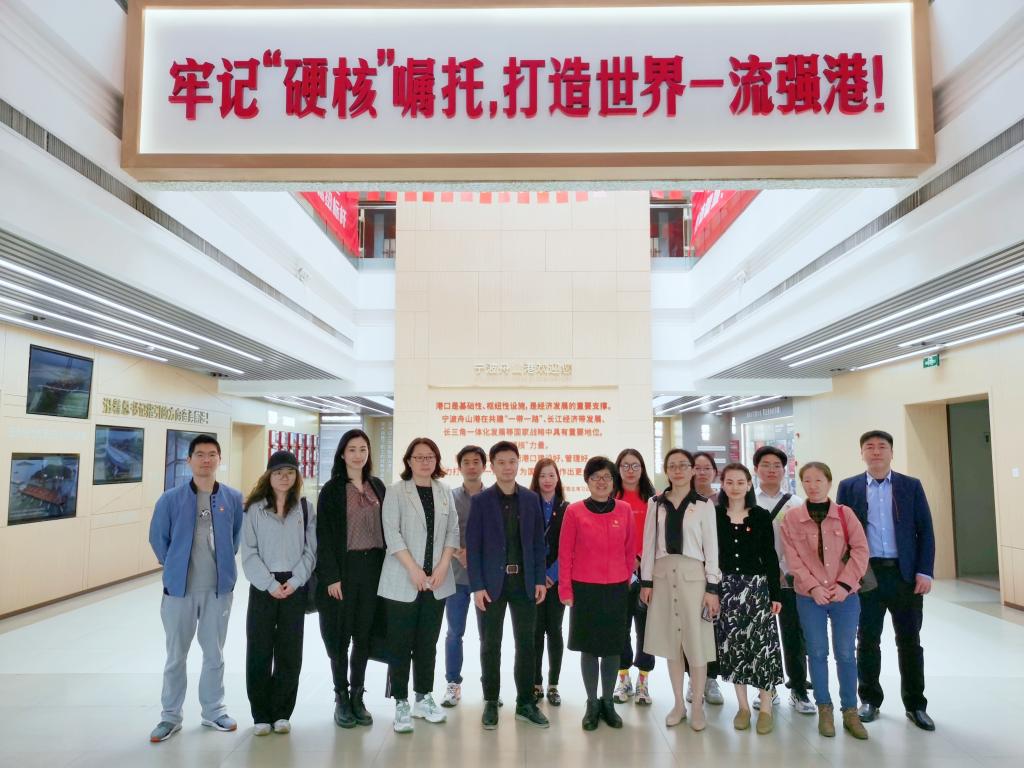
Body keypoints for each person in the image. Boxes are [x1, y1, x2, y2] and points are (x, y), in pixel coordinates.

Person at [837, 430, 937, 732]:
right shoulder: (849, 487)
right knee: (867, 640)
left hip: (904, 576)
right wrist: (848, 576)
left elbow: (925, 530)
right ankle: (869, 700)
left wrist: (925, 571)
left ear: (891, 452)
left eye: (882, 446)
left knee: (910, 641)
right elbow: (841, 535)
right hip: (866, 575)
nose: (876, 451)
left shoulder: (910, 485)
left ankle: (916, 705)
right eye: (869, 447)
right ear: (862, 453)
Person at [148, 434, 244, 743]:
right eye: (200, 454)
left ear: (219, 459)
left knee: (214, 653)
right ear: (189, 460)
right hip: (180, 591)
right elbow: (158, 539)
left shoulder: (232, 498)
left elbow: (235, 537)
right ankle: (170, 716)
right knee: (176, 655)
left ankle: (214, 711)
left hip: (218, 591)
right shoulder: (170, 500)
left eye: (212, 454)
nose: (206, 460)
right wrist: (175, 566)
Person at [781, 462, 870, 740]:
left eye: (818, 480)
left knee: (846, 654)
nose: (813, 485)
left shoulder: (845, 514)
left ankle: (850, 711)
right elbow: (792, 559)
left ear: (829, 483)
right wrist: (813, 587)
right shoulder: (792, 518)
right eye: (807, 480)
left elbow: (861, 551)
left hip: (846, 596)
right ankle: (824, 709)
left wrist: (844, 585)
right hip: (809, 597)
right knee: (817, 652)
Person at [377, 437, 460, 733]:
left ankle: (423, 698)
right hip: (403, 579)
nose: (425, 462)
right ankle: (401, 702)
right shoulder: (396, 491)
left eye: (430, 457)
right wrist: (413, 569)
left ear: (436, 460)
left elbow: (453, 532)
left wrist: (443, 566)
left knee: (428, 644)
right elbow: (392, 533)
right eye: (419, 457)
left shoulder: (444, 491)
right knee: (400, 644)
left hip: (437, 581)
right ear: (409, 461)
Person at [466, 440, 549, 730]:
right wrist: (477, 586)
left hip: (524, 583)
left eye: (512, 461)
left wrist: (539, 579)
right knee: (491, 644)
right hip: (491, 585)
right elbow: (473, 547)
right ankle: (491, 701)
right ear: (492, 466)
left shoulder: (530, 499)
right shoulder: (481, 501)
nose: (507, 467)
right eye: (501, 462)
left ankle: (525, 703)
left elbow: (538, 543)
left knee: (526, 644)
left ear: (518, 463)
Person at [639, 448, 720, 732]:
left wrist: (712, 587)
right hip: (662, 576)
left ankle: (697, 705)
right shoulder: (655, 503)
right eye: (672, 465)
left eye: (683, 465)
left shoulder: (704, 505)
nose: (678, 470)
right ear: (666, 470)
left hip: (694, 578)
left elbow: (711, 548)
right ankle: (678, 704)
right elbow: (648, 544)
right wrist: (646, 581)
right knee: (671, 644)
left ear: (692, 470)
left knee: (696, 644)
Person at [240, 450, 317, 735]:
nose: (285, 477)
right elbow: (248, 553)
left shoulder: (304, 508)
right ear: (269, 476)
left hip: (294, 585)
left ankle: (282, 711)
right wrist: (270, 584)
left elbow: (311, 549)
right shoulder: (254, 509)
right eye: (279, 473)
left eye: (290, 472)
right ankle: (261, 714)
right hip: (264, 585)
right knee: (259, 649)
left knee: (290, 650)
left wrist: (296, 580)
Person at [314, 429, 387, 728]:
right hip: (344, 571)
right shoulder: (332, 490)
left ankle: (358, 695)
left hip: (374, 570)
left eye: (363, 449)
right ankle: (341, 697)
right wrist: (331, 576)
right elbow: (324, 537)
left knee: (364, 635)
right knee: (340, 636)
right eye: (352, 449)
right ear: (342, 454)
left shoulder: (377, 486)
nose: (358, 455)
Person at [559, 456, 635, 730]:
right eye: (595, 477)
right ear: (587, 481)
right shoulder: (574, 511)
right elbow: (565, 553)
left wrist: (625, 578)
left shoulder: (624, 510)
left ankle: (608, 702)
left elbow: (630, 550)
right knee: (589, 647)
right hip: (585, 589)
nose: (601, 482)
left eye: (606, 477)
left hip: (616, 589)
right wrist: (565, 589)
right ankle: (592, 702)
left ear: (614, 481)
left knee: (613, 647)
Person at [713, 462, 784, 735]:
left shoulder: (760, 515)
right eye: (729, 482)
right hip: (727, 589)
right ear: (723, 485)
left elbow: (770, 556)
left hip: (757, 589)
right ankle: (742, 707)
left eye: (740, 482)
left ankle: (765, 707)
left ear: (749, 485)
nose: (735, 487)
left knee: (762, 647)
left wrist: (775, 593)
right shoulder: (714, 515)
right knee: (734, 647)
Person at [752, 445, 815, 715]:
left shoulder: (796, 503)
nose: (771, 470)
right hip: (758, 579)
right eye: (765, 465)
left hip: (790, 579)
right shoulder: (747, 501)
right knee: (761, 635)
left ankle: (799, 689)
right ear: (756, 469)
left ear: (784, 470)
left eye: (777, 465)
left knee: (793, 635)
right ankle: (767, 688)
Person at [442, 445, 488, 708]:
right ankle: (452, 684)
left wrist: (476, 555)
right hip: (456, 576)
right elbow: (444, 531)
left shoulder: (493, 497)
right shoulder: (449, 497)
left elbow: (497, 535)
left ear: (484, 466)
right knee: (454, 632)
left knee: (487, 636)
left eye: (476, 461)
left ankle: (489, 686)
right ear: (459, 467)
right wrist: (460, 553)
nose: (471, 466)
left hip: (485, 578)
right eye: (466, 462)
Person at [612, 448, 659, 707]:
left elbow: (659, 537)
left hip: (648, 574)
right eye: (625, 466)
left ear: (642, 469)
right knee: (620, 628)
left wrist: (640, 558)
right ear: (617, 469)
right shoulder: (611, 497)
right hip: (617, 574)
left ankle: (643, 682)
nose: (630, 471)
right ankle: (623, 679)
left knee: (646, 630)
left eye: (635, 466)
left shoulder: (654, 500)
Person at [687, 451, 726, 707]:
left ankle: (711, 679)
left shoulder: (723, 500)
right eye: (697, 468)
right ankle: (693, 681)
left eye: (706, 468)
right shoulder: (684, 499)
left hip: (718, 573)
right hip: (690, 573)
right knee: (691, 628)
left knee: (713, 628)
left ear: (715, 472)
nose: (701, 472)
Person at [530, 458, 568, 707]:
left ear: (557, 478)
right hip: (533, 581)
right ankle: (536, 684)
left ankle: (553, 685)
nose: (547, 480)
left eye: (551, 475)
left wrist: (552, 574)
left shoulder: (567, 509)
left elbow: (569, 547)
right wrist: (537, 575)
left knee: (554, 631)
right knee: (534, 633)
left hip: (556, 581)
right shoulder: (527, 506)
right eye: (542, 475)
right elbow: (523, 544)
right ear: (536, 478)